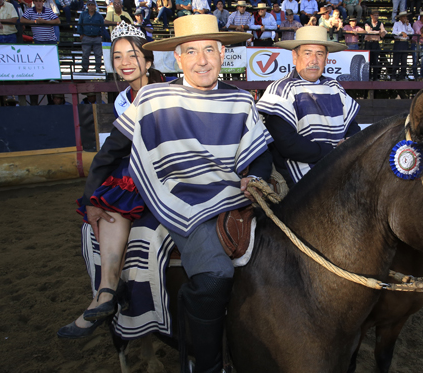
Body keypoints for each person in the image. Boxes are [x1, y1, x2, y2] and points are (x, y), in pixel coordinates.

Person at [75, 16, 273, 373]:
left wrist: (256, 176)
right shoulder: (154, 97)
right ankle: (206, 365)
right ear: (178, 58)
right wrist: (92, 198)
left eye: (210, 50)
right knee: (214, 275)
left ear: (222, 53)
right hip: (183, 202)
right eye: (192, 51)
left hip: (237, 198)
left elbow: (259, 154)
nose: (202, 60)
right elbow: (112, 150)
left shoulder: (241, 101)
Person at [57, 22, 163, 339]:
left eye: (132, 55)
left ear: (148, 60)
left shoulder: (168, 90)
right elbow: (110, 152)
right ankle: (106, 291)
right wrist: (91, 198)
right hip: (136, 171)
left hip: (169, 168)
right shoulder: (122, 100)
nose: (125, 62)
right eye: (118, 57)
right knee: (112, 197)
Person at [256, 25, 359, 185]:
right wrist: (333, 152)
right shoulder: (281, 89)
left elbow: (352, 127)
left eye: (319, 54)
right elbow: (286, 143)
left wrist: (350, 142)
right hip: (297, 179)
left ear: (326, 58)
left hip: (339, 165)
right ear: (294, 57)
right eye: (307, 53)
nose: (314, 60)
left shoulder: (334, 87)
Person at [78, 0, 105, 72]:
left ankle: (98, 68)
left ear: (95, 6)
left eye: (92, 5)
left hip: (97, 37)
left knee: (98, 54)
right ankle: (84, 67)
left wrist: (101, 35)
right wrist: (80, 34)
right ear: (87, 6)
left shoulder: (99, 16)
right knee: (85, 53)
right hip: (86, 36)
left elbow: (102, 26)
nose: (91, 6)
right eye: (89, 4)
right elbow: (80, 24)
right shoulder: (83, 14)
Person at [364, 9, 386, 79]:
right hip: (369, 43)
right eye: (375, 15)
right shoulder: (367, 22)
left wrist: (383, 33)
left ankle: (375, 77)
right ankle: (368, 76)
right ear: (371, 16)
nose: (376, 16)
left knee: (375, 61)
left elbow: (384, 31)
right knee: (368, 61)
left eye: (377, 15)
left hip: (376, 43)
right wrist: (378, 32)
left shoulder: (380, 23)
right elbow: (368, 31)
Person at [392, 11, 413, 80]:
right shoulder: (397, 24)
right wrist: (401, 32)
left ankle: (402, 76)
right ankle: (393, 76)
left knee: (404, 61)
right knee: (396, 60)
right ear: (400, 17)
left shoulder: (408, 24)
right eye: (404, 16)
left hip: (405, 43)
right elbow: (394, 32)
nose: (405, 18)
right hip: (398, 42)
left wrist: (407, 25)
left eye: (405, 16)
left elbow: (412, 32)